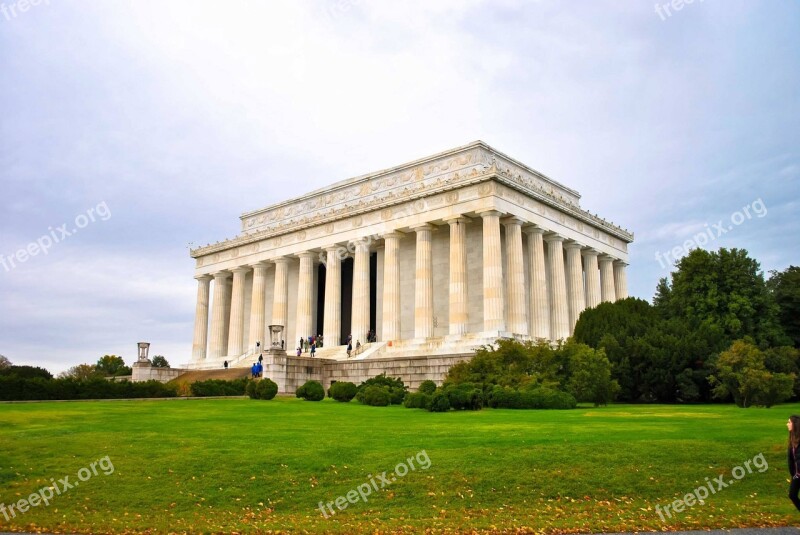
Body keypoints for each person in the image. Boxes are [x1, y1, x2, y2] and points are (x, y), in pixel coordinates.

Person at [788, 415, 800, 511]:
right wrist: (793, 473)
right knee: (792, 495)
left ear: (795, 424)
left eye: (789, 422)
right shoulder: (792, 439)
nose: (787, 424)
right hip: (796, 474)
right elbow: (791, 458)